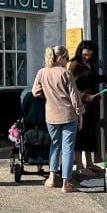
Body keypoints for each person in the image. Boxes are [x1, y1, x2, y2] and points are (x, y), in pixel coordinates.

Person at [32, 45, 84, 194]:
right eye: (66, 58)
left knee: (55, 146)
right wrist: (80, 114)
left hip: (51, 115)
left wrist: (47, 95)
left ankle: (51, 178)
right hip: (68, 114)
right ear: (61, 57)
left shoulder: (42, 72)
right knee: (68, 149)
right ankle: (66, 183)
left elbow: (35, 92)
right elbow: (75, 96)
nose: (67, 61)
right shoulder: (66, 73)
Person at [67, 40, 107, 179]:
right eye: (85, 54)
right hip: (82, 106)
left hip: (92, 105)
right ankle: (80, 166)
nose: (87, 57)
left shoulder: (89, 64)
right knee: (81, 135)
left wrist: (106, 78)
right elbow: (69, 87)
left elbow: (92, 79)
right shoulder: (75, 65)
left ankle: (90, 163)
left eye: (90, 54)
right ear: (80, 51)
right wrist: (84, 96)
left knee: (91, 134)